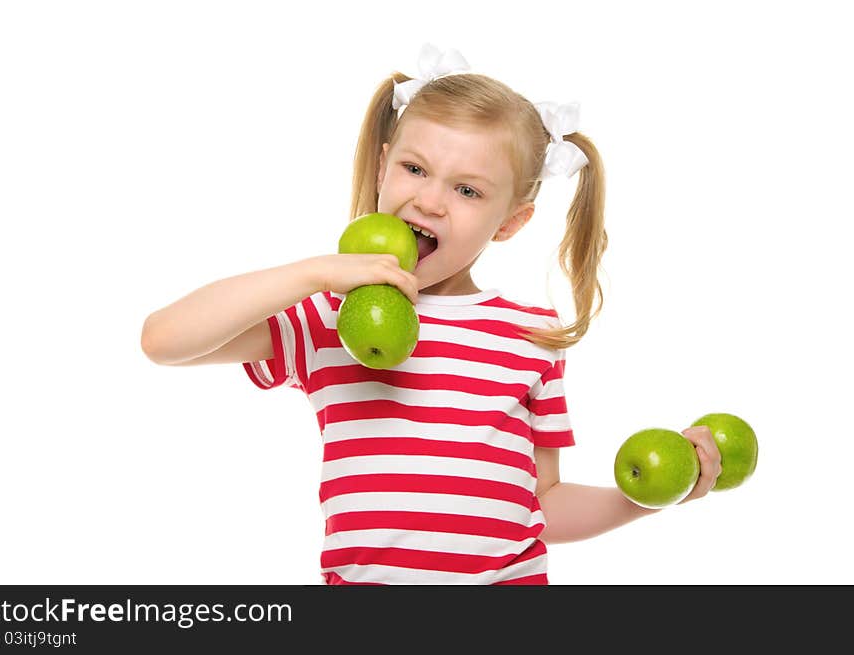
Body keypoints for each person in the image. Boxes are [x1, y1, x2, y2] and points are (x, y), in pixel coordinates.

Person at [140, 44, 722, 585]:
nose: (430, 200)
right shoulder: (326, 317)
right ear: (382, 168)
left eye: (468, 191)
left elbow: (543, 504)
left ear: (510, 222)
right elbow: (164, 339)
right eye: (415, 170)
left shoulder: (530, 337)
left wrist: (648, 497)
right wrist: (314, 274)